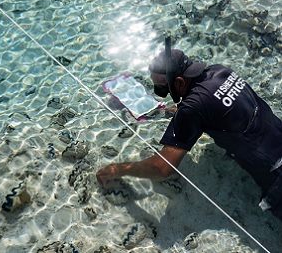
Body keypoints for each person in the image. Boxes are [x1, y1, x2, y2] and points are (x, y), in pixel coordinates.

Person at [96, 37, 282, 221]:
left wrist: (118, 169)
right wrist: (180, 111)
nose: (164, 93)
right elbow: (218, 104)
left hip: (275, 173)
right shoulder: (220, 71)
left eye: (164, 89)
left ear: (179, 82)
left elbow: (163, 168)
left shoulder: (192, 109)